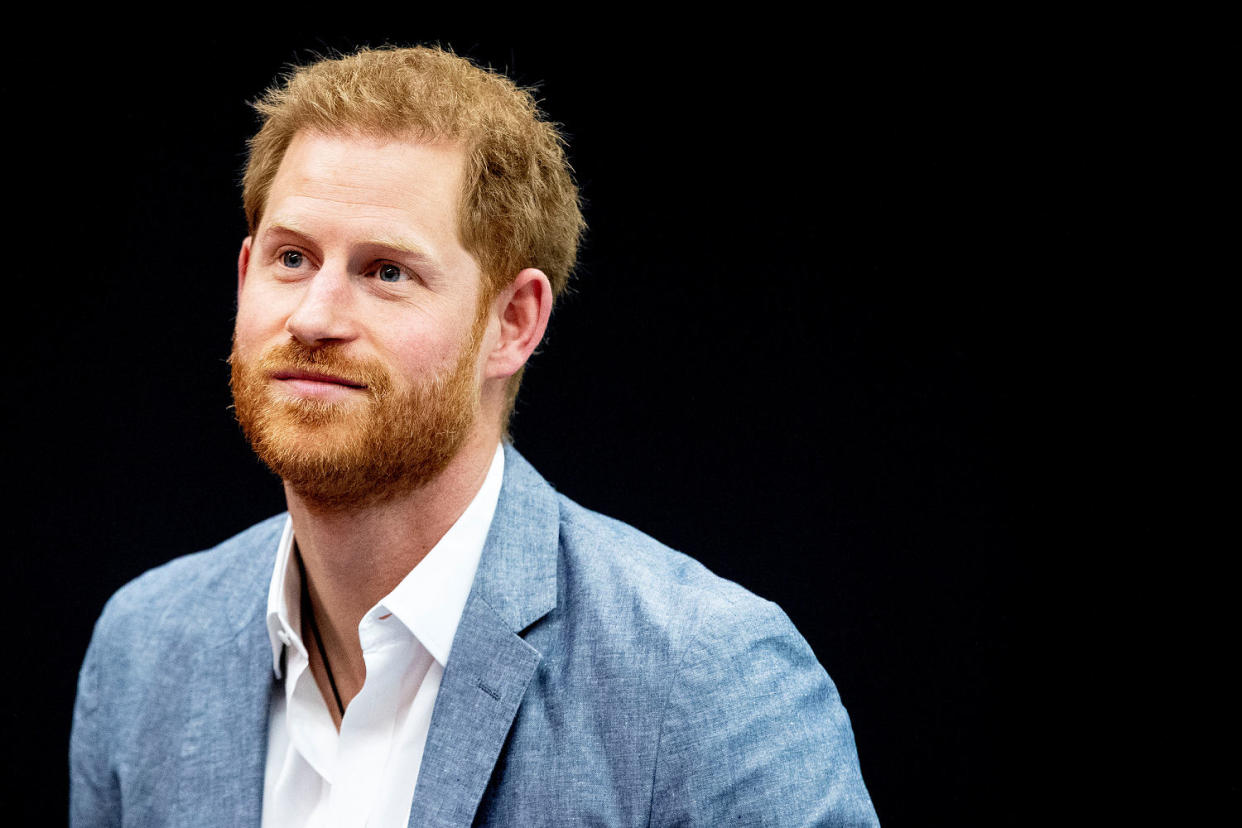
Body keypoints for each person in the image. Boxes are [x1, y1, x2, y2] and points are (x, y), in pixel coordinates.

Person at [70, 45, 878, 826]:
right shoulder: (144, 650)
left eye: (386, 271)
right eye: (291, 258)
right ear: (245, 276)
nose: (313, 317)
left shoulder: (708, 682)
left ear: (512, 323)